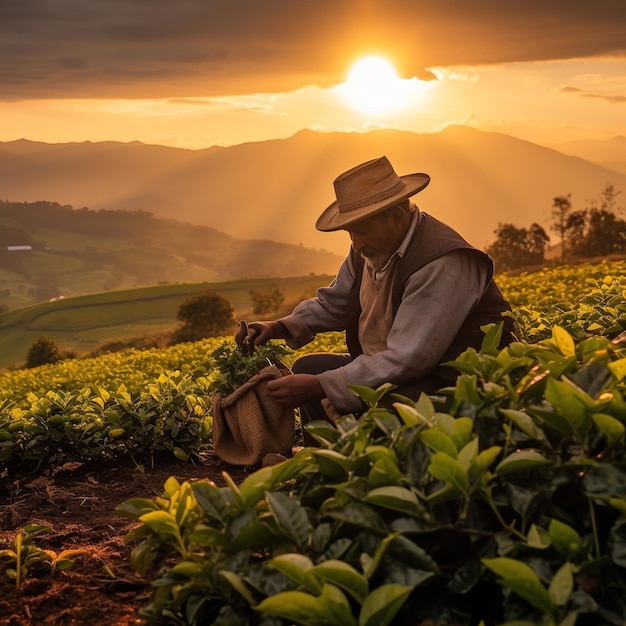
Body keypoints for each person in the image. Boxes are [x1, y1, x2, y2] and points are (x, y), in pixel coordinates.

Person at [235, 156, 515, 444]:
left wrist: (323, 386)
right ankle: (324, 465)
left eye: (362, 230)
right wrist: (277, 327)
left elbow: (409, 359)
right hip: (399, 369)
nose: (356, 242)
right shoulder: (371, 248)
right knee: (309, 368)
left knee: (378, 407)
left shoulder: (442, 261)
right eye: (351, 232)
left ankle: (362, 469)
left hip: (453, 381)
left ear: (396, 217)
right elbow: (336, 304)